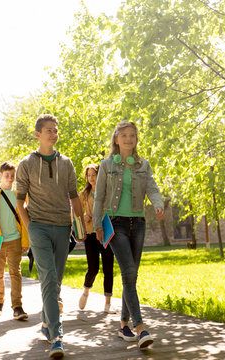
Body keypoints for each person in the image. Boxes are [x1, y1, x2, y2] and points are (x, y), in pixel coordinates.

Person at [16, 114, 86, 359]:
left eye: (55, 130)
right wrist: (30, 228)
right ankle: (57, 337)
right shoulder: (25, 164)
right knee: (47, 277)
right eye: (48, 130)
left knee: (55, 281)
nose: (53, 134)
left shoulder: (66, 163)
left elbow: (74, 195)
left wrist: (80, 226)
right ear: (37, 134)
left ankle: (46, 322)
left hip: (62, 227)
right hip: (39, 227)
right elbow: (19, 201)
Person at [92, 121, 165, 350]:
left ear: (136, 139)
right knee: (129, 271)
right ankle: (141, 327)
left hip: (138, 223)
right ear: (116, 139)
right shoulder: (106, 165)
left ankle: (123, 324)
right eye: (124, 135)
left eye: (132, 135)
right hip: (115, 224)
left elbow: (151, 187)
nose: (128, 139)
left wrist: (158, 203)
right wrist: (97, 224)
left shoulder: (143, 165)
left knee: (130, 276)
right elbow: (99, 197)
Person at [0, 161, 29, 320]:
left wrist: (25, 242)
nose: (10, 178)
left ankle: (17, 306)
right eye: (7, 175)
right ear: (0, 175)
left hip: (15, 239)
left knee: (16, 274)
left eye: (12, 176)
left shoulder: (19, 194)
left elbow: (24, 219)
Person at [78, 164, 116, 314]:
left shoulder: (108, 192)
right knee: (93, 268)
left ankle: (107, 303)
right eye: (89, 175)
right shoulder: (84, 194)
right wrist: (83, 218)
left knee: (108, 268)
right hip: (90, 234)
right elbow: (75, 213)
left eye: (94, 174)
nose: (91, 178)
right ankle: (86, 291)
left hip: (106, 233)